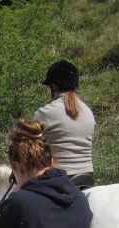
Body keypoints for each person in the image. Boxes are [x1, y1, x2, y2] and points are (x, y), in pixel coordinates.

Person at [33, 60, 96, 190]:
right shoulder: (88, 112)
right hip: (87, 176)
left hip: (60, 179)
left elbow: (28, 149)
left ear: (54, 86)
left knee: (21, 201)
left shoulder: (45, 112)